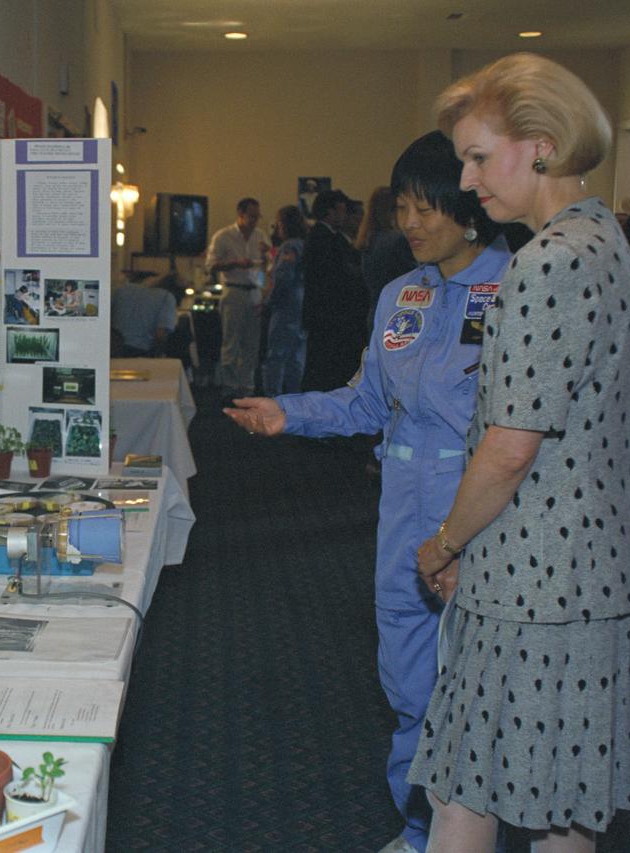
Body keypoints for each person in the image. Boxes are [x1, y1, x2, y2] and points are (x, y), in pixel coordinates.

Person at [225, 131, 509, 853]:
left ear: (465, 205)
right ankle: (419, 830)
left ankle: (476, 834)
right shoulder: (399, 294)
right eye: (404, 207)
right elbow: (365, 402)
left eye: (424, 207)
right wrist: (291, 412)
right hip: (400, 512)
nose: (409, 222)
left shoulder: (515, 286)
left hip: (479, 514)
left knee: (478, 692)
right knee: (408, 685)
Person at [410, 53, 630, 853]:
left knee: (462, 795)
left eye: (479, 156)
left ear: (541, 144)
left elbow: (510, 449)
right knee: (563, 807)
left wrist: (444, 544)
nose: (468, 182)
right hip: (594, 573)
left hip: (527, 583)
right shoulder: (607, 237)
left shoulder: (543, 263)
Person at [302, 189, 369, 391]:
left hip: (326, 313)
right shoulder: (324, 238)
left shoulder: (325, 237)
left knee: (323, 364)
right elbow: (334, 277)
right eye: (341, 211)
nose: (345, 215)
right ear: (330, 212)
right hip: (328, 313)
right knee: (324, 366)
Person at [206, 197, 270, 397]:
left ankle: (247, 385)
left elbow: (266, 266)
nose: (255, 221)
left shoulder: (261, 236)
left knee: (252, 342)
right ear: (240, 214)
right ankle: (230, 387)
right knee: (231, 340)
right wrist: (234, 263)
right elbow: (211, 265)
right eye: (251, 216)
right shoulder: (224, 236)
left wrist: (267, 259)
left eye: (257, 216)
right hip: (234, 289)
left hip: (254, 290)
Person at [260, 205, 310, 395]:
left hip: (287, 306)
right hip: (302, 303)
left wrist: (269, 303)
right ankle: (293, 398)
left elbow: (283, 278)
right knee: (296, 358)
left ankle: (273, 398)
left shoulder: (289, 247)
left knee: (277, 356)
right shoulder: (305, 244)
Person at [356, 185, 417, 328]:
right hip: (397, 314)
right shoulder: (397, 240)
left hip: (376, 311)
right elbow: (414, 279)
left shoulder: (368, 240)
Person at [111, 274, 179, 357]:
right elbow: (160, 334)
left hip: (113, 348)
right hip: (140, 352)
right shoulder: (166, 297)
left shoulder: (121, 289)